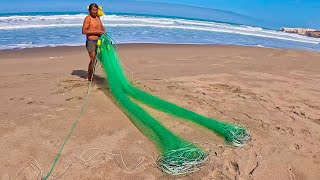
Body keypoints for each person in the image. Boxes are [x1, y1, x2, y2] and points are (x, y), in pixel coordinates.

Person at [82, 3, 106, 81]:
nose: (95, 12)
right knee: (93, 59)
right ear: (89, 10)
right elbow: (84, 31)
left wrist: (104, 31)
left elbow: (101, 27)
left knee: (98, 59)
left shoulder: (98, 18)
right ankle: (89, 76)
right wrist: (97, 31)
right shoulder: (88, 18)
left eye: (96, 10)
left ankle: (91, 74)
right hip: (91, 41)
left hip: (99, 41)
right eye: (93, 10)